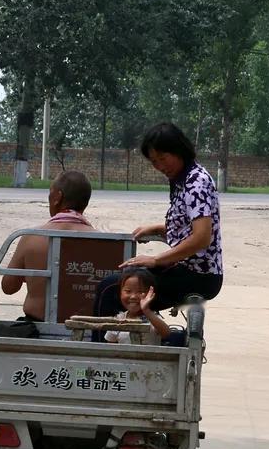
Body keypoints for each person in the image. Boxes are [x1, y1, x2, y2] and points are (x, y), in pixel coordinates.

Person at [93, 123, 223, 325]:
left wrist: (156, 260)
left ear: (178, 150)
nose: (160, 166)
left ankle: (104, 352)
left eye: (163, 158)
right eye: (154, 162)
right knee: (119, 283)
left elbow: (202, 237)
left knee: (112, 289)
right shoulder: (182, 180)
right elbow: (187, 227)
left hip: (199, 274)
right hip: (185, 267)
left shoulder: (196, 181)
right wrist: (157, 228)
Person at [1, 170, 94, 321]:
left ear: (57, 197)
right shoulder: (101, 240)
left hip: (37, 325)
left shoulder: (31, 237)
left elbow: (8, 287)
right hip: (86, 329)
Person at [104, 268, 170, 345]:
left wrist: (146, 310)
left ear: (151, 294)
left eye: (140, 292)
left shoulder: (153, 318)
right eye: (128, 291)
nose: (133, 297)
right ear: (120, 293)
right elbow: (110, 348)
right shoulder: (118, 320)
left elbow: (166, 334)